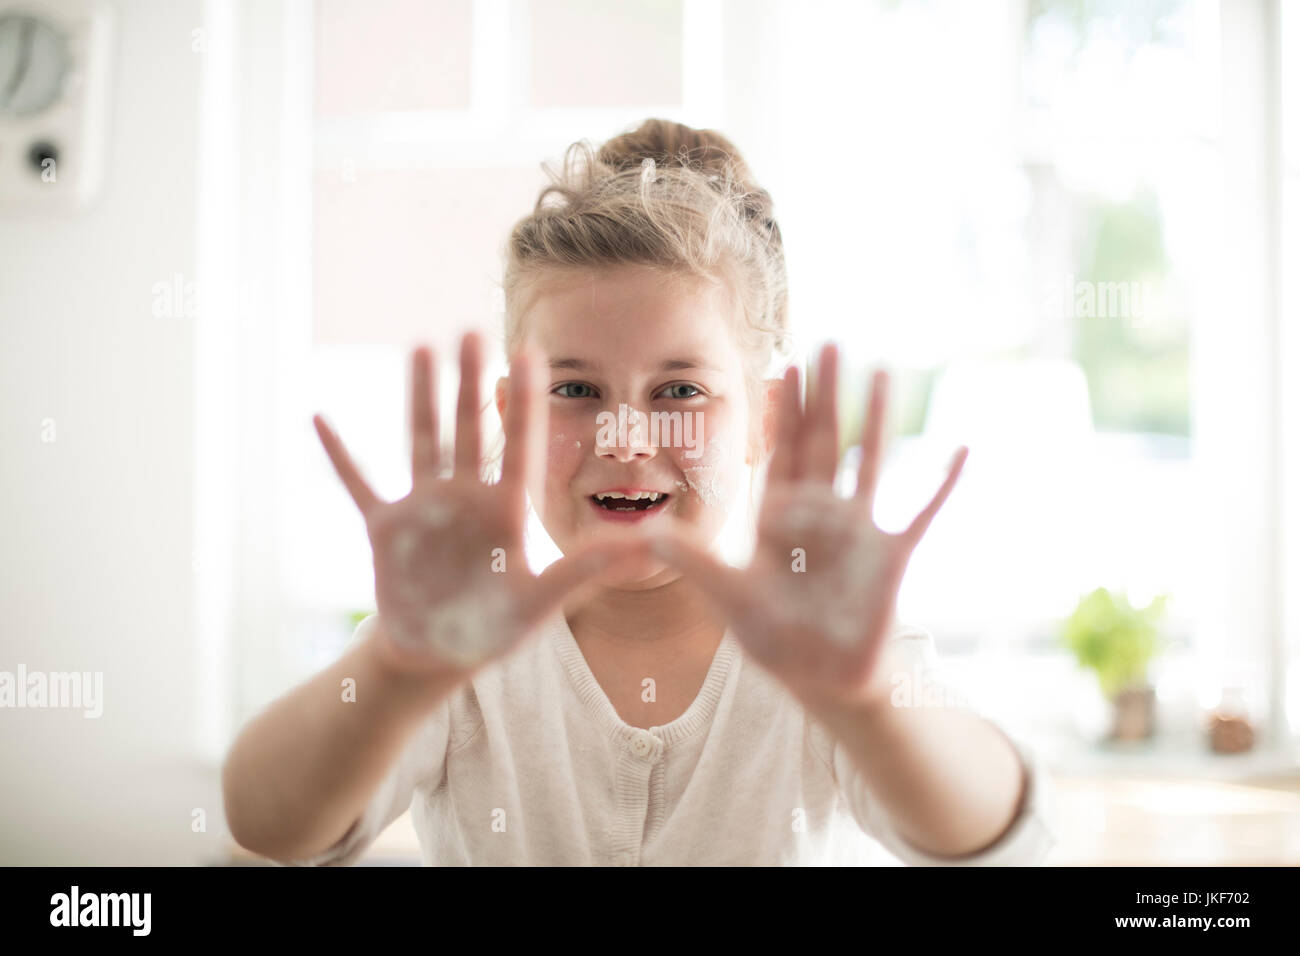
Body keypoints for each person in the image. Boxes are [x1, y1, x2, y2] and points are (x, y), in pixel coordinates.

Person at [222, 118, 1056, 866]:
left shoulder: (825, 641)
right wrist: (398, 668)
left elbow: (987, 833)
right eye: (576, 391)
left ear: (764, 420)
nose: (625, 439)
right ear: (513, 416)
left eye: (680, 393)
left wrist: (865, 697)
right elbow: (269, 822)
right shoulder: (453, 649)